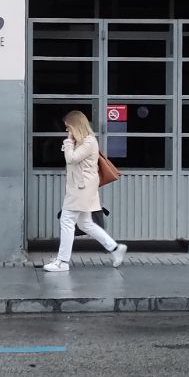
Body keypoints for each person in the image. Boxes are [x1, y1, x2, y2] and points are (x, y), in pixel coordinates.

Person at [46, 110, 127, 273]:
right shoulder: (83, 142)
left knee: (67, 221)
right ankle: (115, 248)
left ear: (76, 126)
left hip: (81, 189)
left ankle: (62, 261)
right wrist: (71, 143)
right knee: (86, 223)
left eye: (68, 128)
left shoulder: (89, 142)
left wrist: (68, 143)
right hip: (80, 189)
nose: (67, 131)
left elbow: (71, 159)